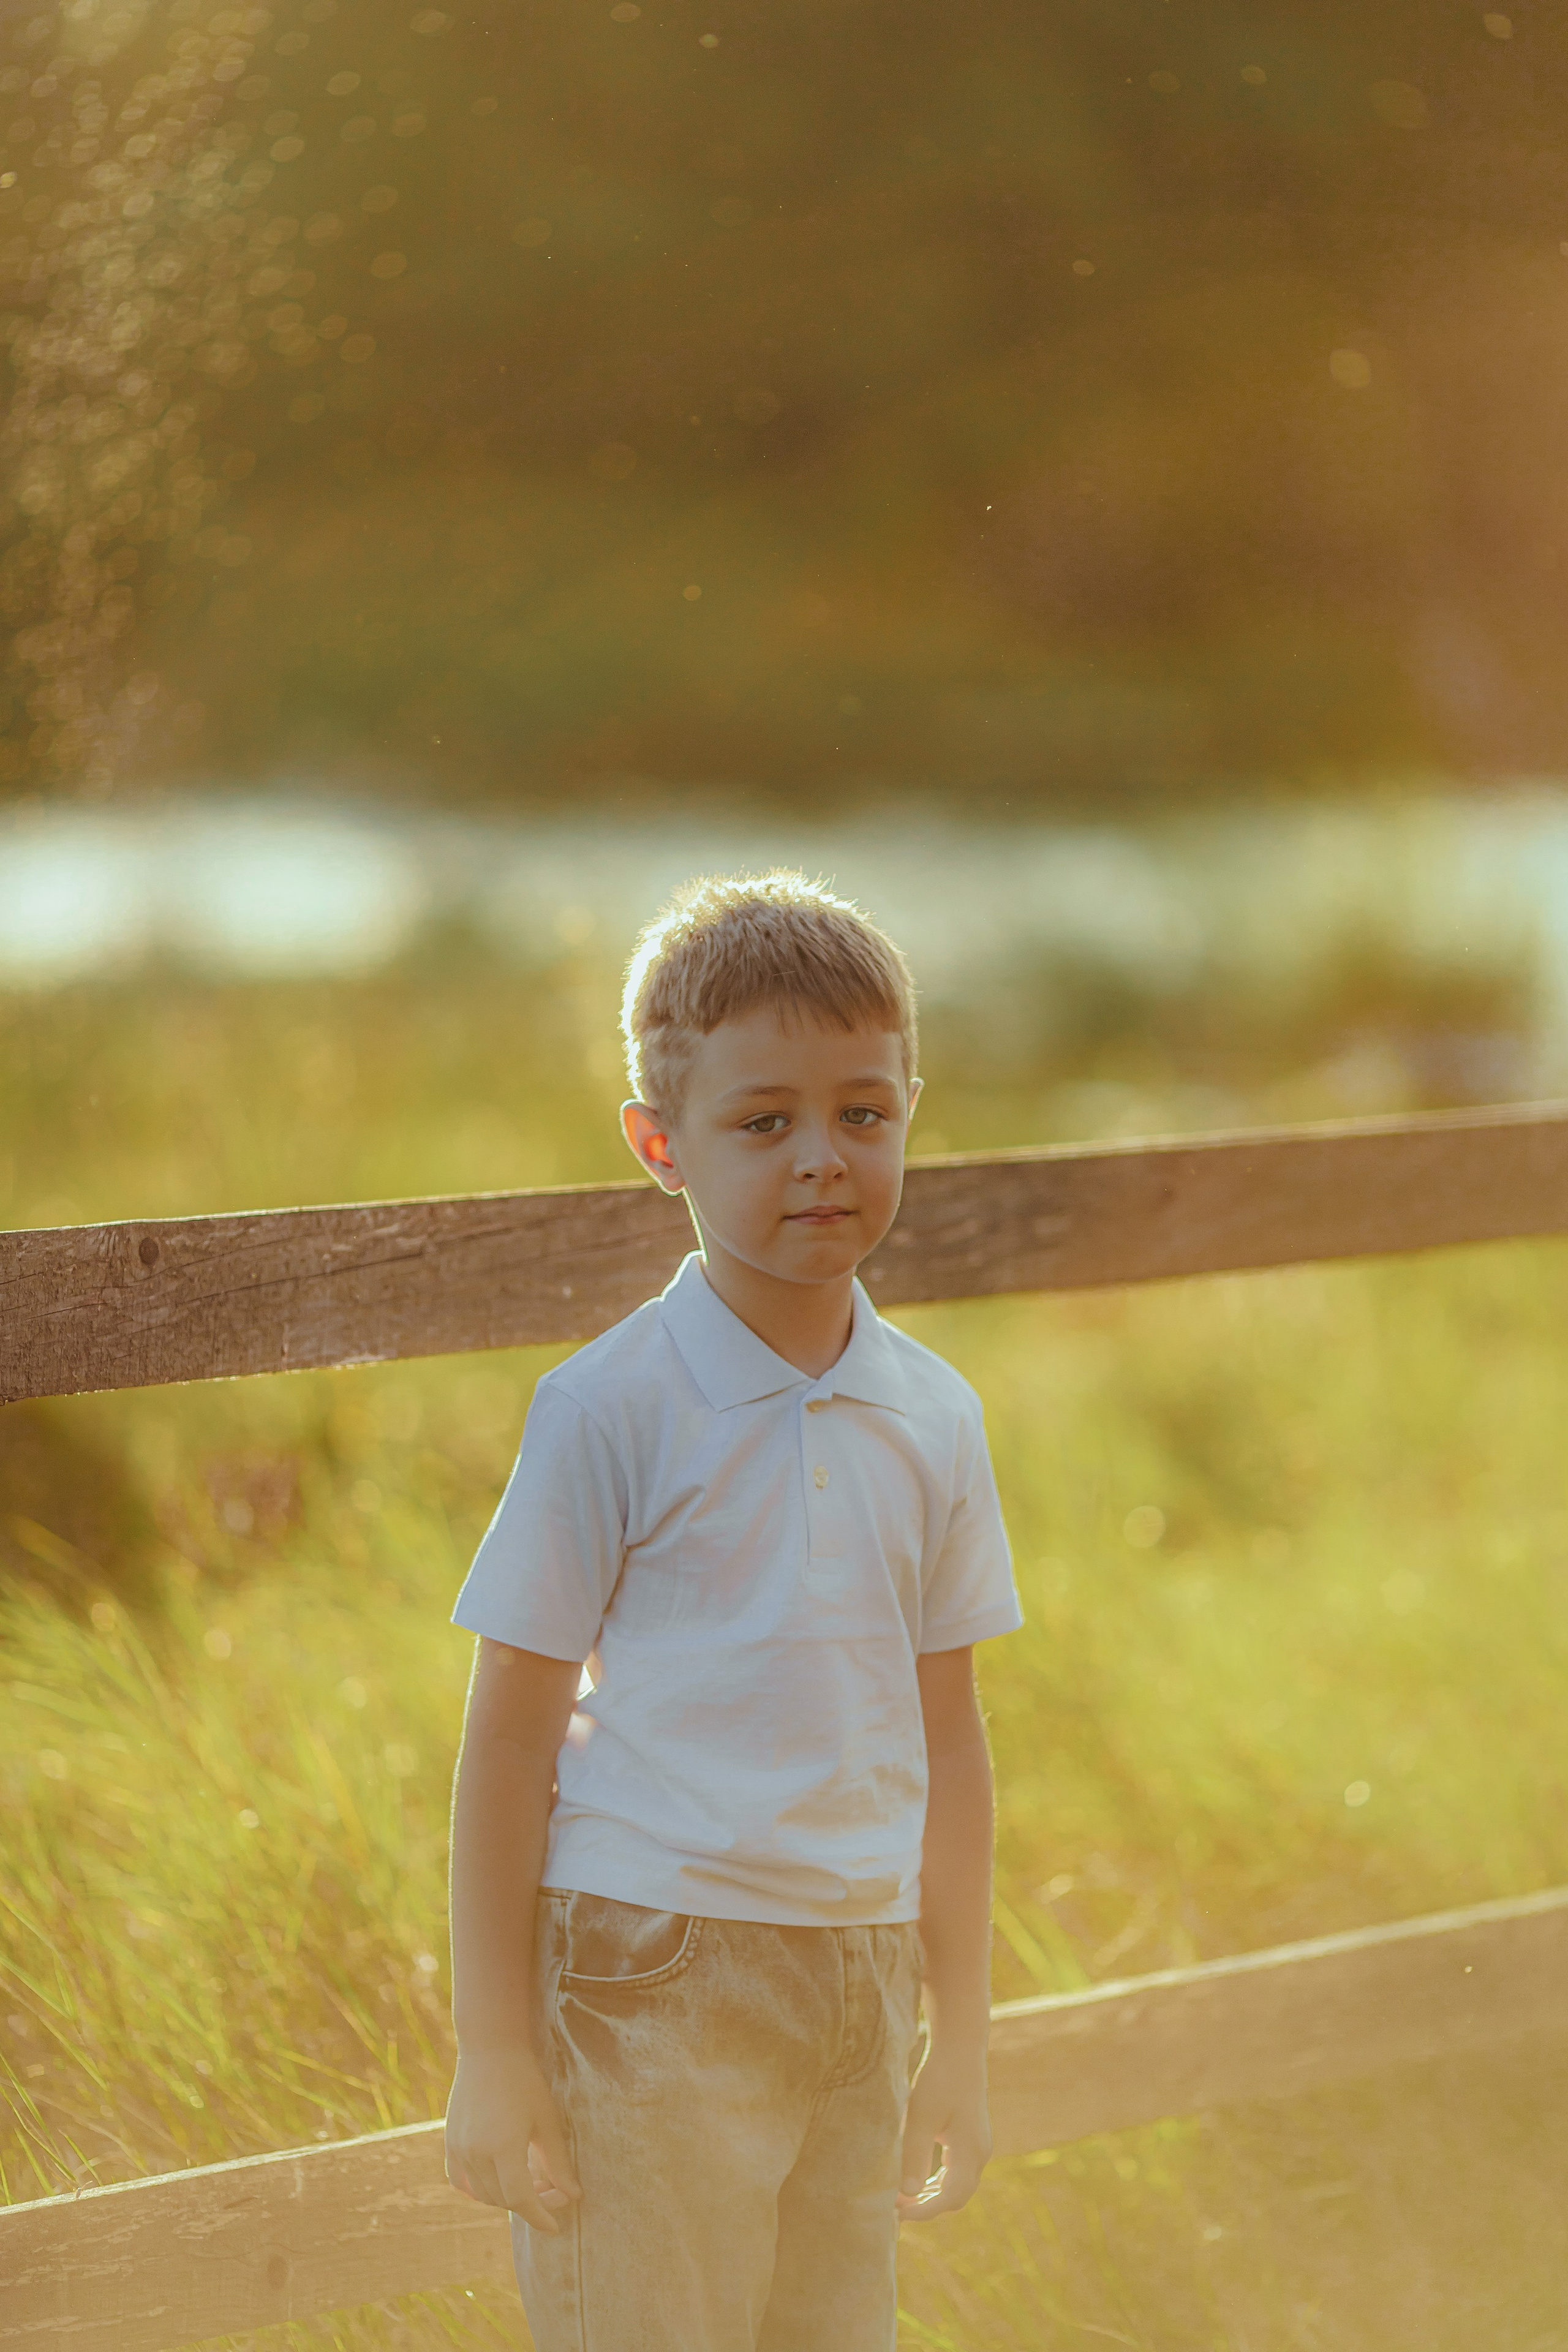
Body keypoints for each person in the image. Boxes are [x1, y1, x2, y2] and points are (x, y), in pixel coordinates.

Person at [443, 870, 1022, 2352]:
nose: (821, 1159)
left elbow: (946, 1745)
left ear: (907, 1109)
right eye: (762, 1123)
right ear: (661, 1144)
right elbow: (509, 1745)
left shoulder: (934, 1418)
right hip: (653, 1977)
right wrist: (494, 2049)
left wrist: (956, 2038)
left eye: (862, 1113)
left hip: (861, 1978)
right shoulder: (608, 1409)